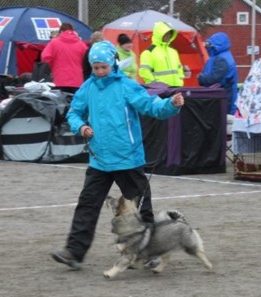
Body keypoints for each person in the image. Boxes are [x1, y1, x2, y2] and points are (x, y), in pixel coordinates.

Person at [51, 41, 184, 270]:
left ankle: (148, 253)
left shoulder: (127, 86)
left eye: (103, 67)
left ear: (112, 64)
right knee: (87, 205)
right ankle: (74, 251)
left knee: (141, 209)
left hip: (128, 159)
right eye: (96, 68)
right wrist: (81, 127)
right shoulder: (87, 88)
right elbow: (74, 112)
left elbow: (151, 106)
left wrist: (171, 105)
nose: (100, 72)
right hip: (99, 160)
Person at [197, 32, 238, 115]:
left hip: (222, 98)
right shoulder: (220, 57)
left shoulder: (222, 59)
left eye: (210, 44)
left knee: (221, 123)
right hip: (221, 97)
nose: (207, 47)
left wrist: (200, 77)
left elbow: (214, 78)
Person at [41, 23, 88, 92]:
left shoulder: (54, 43)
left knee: (60, 102)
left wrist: (52, 66)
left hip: (59, 80)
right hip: (77, 81)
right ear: (73, 31)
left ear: (61, 31)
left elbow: (45, 57)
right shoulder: (81, 45)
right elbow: (87, 59)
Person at [139, 21, 186, 87]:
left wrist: (180, 81)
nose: (168, 36)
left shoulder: (173, 52)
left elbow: (179, 69)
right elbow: (144, 72)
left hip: (177, 87)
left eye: (170, 33)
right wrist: (155, 85)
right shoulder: (149, 52)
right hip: (160, 91)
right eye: (166, 33)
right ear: (159, 34)